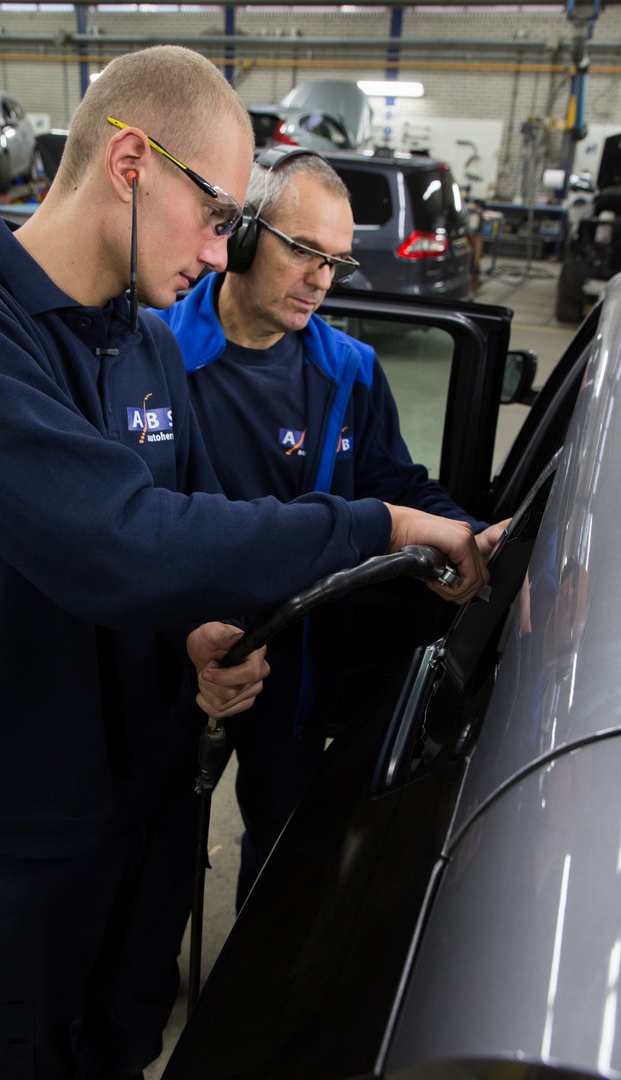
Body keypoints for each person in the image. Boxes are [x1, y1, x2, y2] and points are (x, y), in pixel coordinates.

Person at [0, 46, 490, 1080]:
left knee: (126, 1052)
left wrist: (193, 642)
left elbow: (165, 542)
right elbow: (118, 543)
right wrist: (379, 525)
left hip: (157, 809)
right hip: (23, 836)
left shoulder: (148, 347)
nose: (226, 256)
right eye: (219, 216)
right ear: (131, 162)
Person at [153, 146, 507, 910]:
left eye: (336, 262)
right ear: (243, 235)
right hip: (171, 660)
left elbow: (392, 484)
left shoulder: (348, 367)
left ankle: (251, 998)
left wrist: (468, 533)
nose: (320, 277)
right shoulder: (155, 355)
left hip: (297, 658)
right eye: (306, 250)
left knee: (285, 845)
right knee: (151, 840)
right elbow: (122, 525)